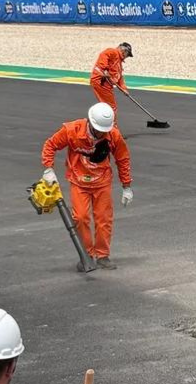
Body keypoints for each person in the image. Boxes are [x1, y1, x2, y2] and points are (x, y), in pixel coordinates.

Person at [41, 102, 135, 271]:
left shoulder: (113, 134)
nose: (101, 133)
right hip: (79, 182)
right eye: (99, 130)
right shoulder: (72, 130)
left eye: (104, 131)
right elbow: (50, 145)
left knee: (103, 219)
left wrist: (126, 186)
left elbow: (123, 159)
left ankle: (103, 255)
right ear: (91, 123)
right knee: (81, 218)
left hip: (102, 182)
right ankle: (87, 255)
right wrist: (48, 168)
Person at [89, 42, 133, 117]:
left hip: (106, 85)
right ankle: (112, 126)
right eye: (127, 54)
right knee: (111, 107)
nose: (127, 57)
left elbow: (119, 78)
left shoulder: (119, 64)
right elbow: (104, 55)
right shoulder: (113, 52)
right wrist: (104, 69)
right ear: (124, 51)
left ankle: (103, 121)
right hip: (101, 81)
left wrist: (124, 89)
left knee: (108, 106)